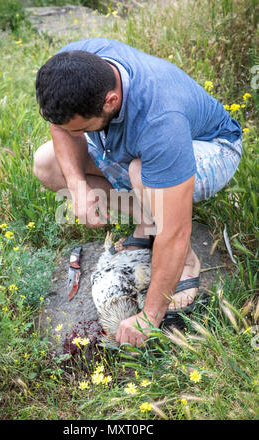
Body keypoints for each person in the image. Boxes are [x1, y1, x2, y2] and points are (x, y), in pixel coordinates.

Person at [34, 37, 242, 347]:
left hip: (212, 149)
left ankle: (187, 262)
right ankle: (148, 220)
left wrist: (149, 316)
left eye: (80, 129)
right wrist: (77, 187)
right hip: (139, 148)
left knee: (141, 174)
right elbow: (61, 123)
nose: (73, 135)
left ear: (110, 100)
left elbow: (175, 230)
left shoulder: (161, 121)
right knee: (47, 163)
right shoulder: (72, 66)